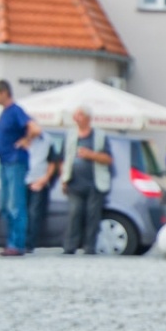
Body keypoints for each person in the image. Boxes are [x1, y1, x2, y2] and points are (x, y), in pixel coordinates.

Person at [0, 79, 41, 257]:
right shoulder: (5, 113)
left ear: (4, 93)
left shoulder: (15, 110)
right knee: (6, 205)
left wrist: (26, 140)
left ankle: (17, 244)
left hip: (15, 162)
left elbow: (35, 128)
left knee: (15, 204)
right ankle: (11, 242)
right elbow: (8, 137)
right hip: (5, 162)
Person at [61, 105, 112, 254]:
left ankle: (89, 247)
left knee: (92, 216)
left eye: (79, 115)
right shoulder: (70, 135)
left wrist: (91, 155)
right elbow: (64, 159)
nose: (76, 118)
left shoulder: (99, 135)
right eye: (75, 115)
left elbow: (108, 159)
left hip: (95, 183)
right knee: (74, 213)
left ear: (88, 118)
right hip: (74, 182)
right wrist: (63, 179)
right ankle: (70, 247)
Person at [24, 127, 62, 252]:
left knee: (34, 213)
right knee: (21, 212)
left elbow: (53, 162)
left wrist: (45, 179)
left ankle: (29, 244)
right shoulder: (20, 137)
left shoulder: (47, 140)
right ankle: (18, 241)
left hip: (39, 181)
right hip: (21, 181)